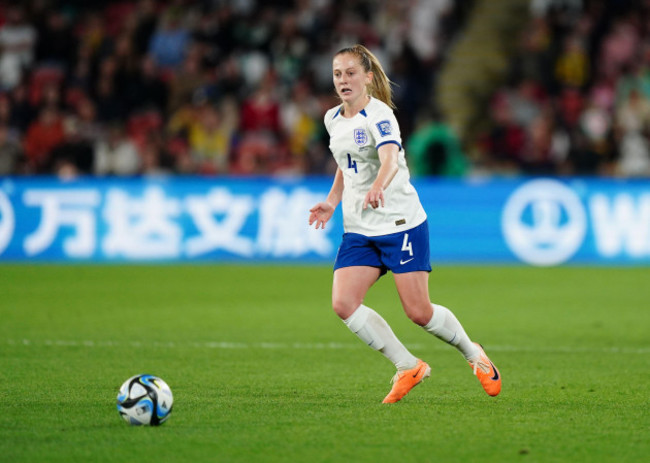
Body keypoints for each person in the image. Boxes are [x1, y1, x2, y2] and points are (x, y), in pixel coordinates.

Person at [308, 44, 501, 403]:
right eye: (337, 74)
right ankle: (407, 366)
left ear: (367, 77)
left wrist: (379, 186)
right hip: (360, 227)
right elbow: (345, 161)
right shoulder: (332, 118)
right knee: (343, 303)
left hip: (400, 223)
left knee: (419, 312)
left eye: (351, 73)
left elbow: (390, 159)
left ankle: (475, 355)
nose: (343, 80)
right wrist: (332, 202)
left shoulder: (380, 115)